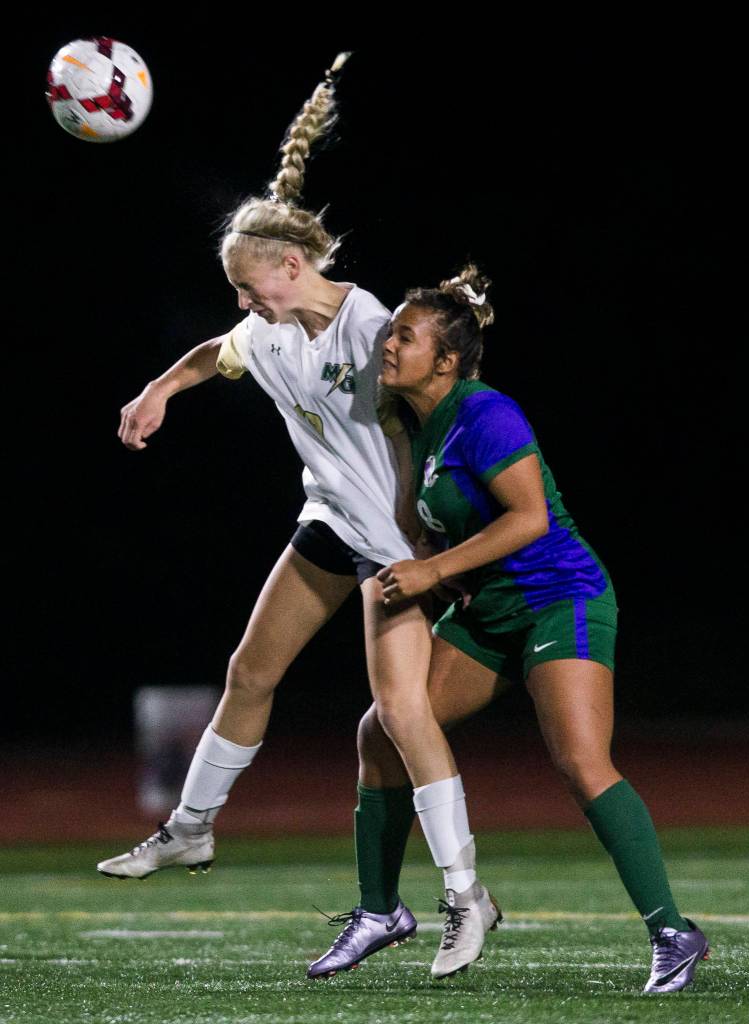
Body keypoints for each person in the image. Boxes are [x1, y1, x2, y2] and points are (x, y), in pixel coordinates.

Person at [96, 55, 499, 982]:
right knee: (249, 670)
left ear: (291, 265)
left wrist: (448, 533)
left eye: (250, 286)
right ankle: (189, 830)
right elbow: (216, 348)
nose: (242, 304)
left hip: (392, 547)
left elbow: (450, 401)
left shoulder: (373, 329)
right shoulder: (268, 327)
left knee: (400, 714)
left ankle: (463, 894)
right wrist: (159, 389)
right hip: (329, 524)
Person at [314, 264, 710, 995]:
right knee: (384, 729)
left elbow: (529, 519)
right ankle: (379, 910)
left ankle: (673, 932)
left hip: (561, 598)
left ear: (449, 359)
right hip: (491, 614)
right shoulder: (422, 430)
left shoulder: (484, 411)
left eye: (405, 335)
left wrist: (432, 575)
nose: (389, 345)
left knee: (582, 764)